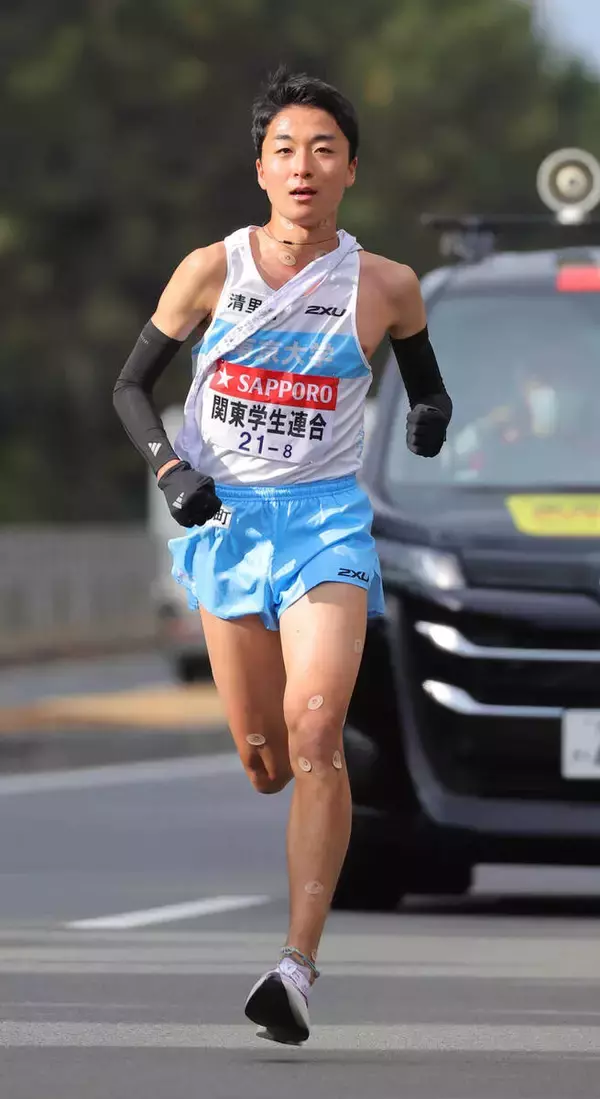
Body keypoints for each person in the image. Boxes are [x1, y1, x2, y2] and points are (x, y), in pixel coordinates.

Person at [113, 66, 451, 1046]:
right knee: (266, 760)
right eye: (286, 150)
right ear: (260, 168)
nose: (305, 167)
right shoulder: (209, 272)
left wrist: (429, 412)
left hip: (326, 525)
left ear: (351, 171)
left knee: (314, 732)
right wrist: (170, 466)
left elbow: (428, 388)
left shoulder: (387, 286)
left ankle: (295, 967)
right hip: (225, 521)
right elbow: (132, 387)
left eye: (325, 150)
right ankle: (306, 757)